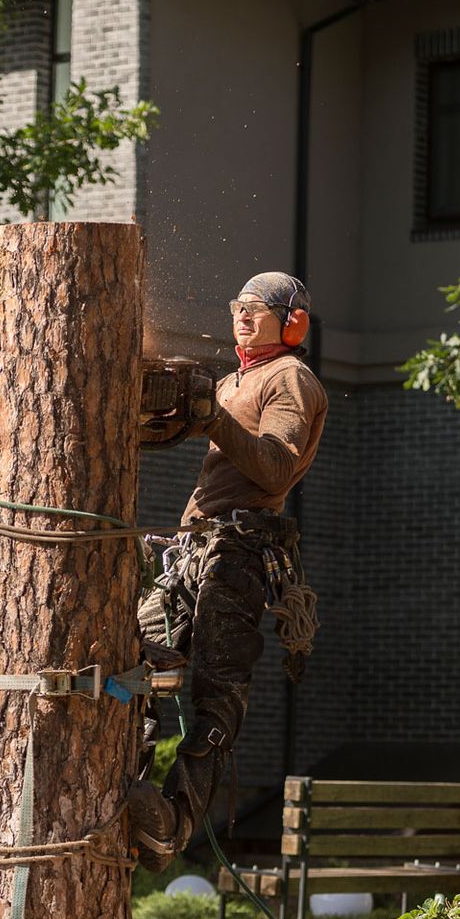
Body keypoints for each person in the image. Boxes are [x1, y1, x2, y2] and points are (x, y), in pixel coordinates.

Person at [126, 271, 328, 870]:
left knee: (217, 697)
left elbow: (272, 467)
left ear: (291, 322)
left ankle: (175, 822)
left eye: (258, 309)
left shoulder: (291, 379)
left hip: (240, 550)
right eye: (238, 306)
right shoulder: (237, 378)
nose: (242, 316)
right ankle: (128, 785)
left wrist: (212, 419)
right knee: (136, 657)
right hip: (194, 547)